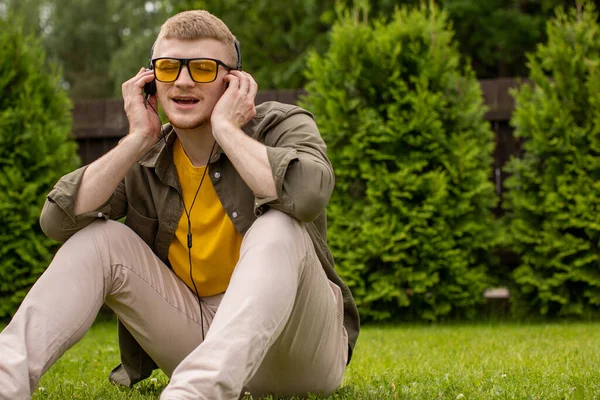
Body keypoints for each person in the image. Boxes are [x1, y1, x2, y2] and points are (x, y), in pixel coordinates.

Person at [0, 9, 359, 400]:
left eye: (203, 68)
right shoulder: (149, 154)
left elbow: (306, 196)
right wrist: (138, 138)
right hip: (198, 338)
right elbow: (57, 220)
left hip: (297, 351)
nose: (184, 81)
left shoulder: (282, 124)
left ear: (233, 81)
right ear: (151, 81)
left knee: (279, 224)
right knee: (100, 240)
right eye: (169, 68)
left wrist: (226, 128)